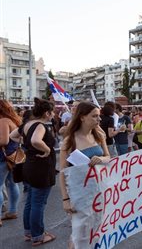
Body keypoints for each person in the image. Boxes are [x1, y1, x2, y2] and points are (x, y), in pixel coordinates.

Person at [59, 102, 110, 248]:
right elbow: (62, 173)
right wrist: (65, 199)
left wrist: (101, 159)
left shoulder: (99, 135)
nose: (98, 120)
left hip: (99, 190)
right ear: (82, 117)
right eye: (94, 116)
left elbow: (108, 157)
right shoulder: (70, 140)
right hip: (79, 194)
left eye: (99, 116)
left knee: (97, 227)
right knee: (79, 232)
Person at [21, 98, 57, 245]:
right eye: (52, 112)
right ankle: (38, 236)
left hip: (29, 165)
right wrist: (47, 149)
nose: (54, 114)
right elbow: (36, 141)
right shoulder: (40, 125)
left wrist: (26, 148)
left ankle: (29, 232)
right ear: (47, 113)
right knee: (38, 203)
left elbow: (13, 137)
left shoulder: (26, 124)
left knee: (30, 201)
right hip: (41, 168)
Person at [0, 100, 21, 227]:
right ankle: (12, 211)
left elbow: (3, 140)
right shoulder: (13, 120)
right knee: (12, 184)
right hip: (13, 157)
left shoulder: (2, 121)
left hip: (3, 157)